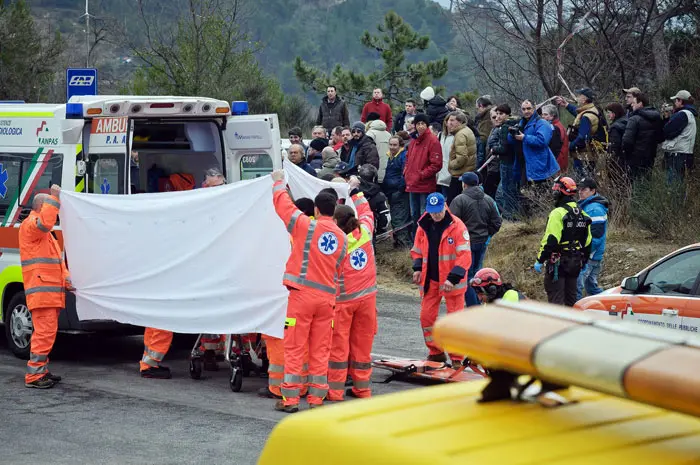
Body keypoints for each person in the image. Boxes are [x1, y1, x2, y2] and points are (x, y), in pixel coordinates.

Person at [271, 170, 347, 413]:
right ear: (334, 211)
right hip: (327, 301)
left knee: (294, 348)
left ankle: (290, 400)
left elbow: (284, 207)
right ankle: (316, 400)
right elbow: (341, 269)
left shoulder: (306, 227)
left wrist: (278, 183)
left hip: (302, 297)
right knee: (320, 350)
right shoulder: (343, 238)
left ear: (315, 209)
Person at [327, 177, 377, 401]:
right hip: (367, 299)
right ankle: (362, 389)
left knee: (339, 348)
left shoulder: (337, 243)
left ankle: (335, 392)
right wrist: (355, 191)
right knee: (362, 347)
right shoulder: (365, 231)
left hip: (344, 301)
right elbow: (367, 212)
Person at [20, 185, 72, 389]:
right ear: (42, 206)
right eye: (51, 205)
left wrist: (67, 281)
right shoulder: (32, 224)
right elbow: (45, 223)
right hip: (42, 293)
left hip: (49, 293)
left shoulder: (43, 233)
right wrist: (55, 197)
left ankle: (41, 370)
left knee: (46, 333)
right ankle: (34, 375)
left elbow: (57, 263)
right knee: (44, 333)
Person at [411, 193, 471, 366]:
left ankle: (457, 358)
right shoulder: (423, 225)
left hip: (452, 282)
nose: (436, 215)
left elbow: (465, 256)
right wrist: (416, 269)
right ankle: (436, 352)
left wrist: (452, 278)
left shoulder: (458, 227)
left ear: (445, 206)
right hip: (431, 280)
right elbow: (417, 249)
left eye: (438, 211)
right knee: (426, 318)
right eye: (432, 212)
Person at [534, 177, 592, 307]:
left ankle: (558, 326)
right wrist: (585, 261)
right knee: (571, 300)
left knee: (556, 301)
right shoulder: (583, 214)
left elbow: (551, 240)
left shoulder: (557, 213)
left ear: (559, 193)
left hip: (558, 264)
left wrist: (540, 259)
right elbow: (588, 242)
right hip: (576, 261)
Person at [449, 172, 502, 307]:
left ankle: (473, 306)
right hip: (482, 242)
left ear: (464, 184)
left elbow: (451, 223)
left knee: (467, 276)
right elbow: (497, 222)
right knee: (478, 275)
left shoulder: (459, 200)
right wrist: (487, 234)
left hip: (465, 244)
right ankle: (479, 302)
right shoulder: (488, 199)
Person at [404, 113, 443, 227]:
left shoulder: (432, 140)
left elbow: (436, 164)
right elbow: (408, 159)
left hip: (425, 184)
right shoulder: (413, 141)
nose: (420, 126)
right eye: (418, 124)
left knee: (424, 213)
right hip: (412, 183)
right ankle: (416, 239)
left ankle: (426, 238)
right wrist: (406, 172)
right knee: (414, 214)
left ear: (427, 125)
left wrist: (421, 175)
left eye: (423, 124)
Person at [576, 178, 609, 300]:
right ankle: (606, 307)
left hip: (590, 256)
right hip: (592, 255)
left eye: (584, 189)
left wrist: (583, 253)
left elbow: (596, 237)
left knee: (576, 288)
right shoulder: (588, 205)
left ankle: (575, 314)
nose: (580, 191)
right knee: (592, 289)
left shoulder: (594, 209)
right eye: (579, 188)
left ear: (593, 191)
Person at [382, 135, 412, 248]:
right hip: (391, 192)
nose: (392, 147)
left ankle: (404, 244)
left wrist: (400, 189)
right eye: (391, 144)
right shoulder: (391, 157)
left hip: (399, 192)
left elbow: (404, 174)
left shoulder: (402, 156)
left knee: (400, 218)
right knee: (396, 217)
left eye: (395, 145)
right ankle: (399, 242)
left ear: (400, 146)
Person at [661, 90, 697, 181]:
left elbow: (667, 131)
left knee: (673, 187)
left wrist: (668, 119)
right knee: (679, 185)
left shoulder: (682, 114)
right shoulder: (689, 113)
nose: (674, 103)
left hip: (678, 156)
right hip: (684, 154)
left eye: (676, 100)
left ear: (680, 101)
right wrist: (668, 118)